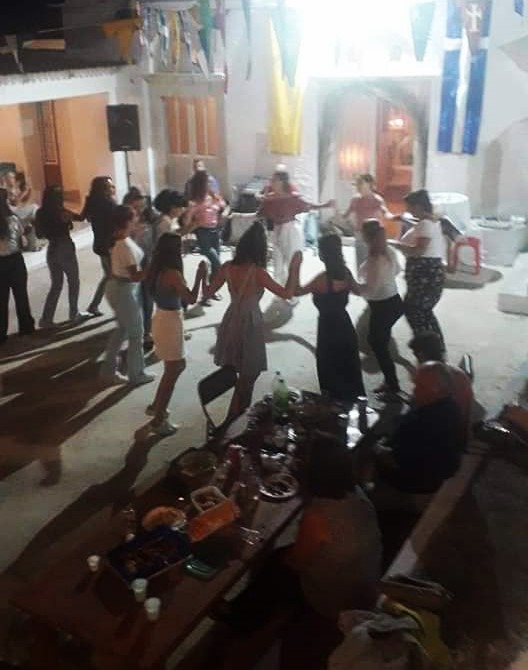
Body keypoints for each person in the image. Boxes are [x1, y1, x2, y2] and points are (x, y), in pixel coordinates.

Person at [218, 444, 381, 631]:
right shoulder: (355, 492)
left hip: (338, 602)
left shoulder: (319, 516)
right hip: (367, 582)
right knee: (281, 552)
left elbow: (296, 563)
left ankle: (240, 619)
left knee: (273, 565)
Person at [202, 221, 301, 420]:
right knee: (249, 374)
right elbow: (287, 293)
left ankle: (239, 417)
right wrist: (294, 269)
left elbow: (207, 293)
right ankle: (233, 420)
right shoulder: (257, 272)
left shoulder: (227, 267)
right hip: (250, 321)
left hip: (231, 318)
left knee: (239, 369)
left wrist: (201, 276)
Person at [145, 234, 207, 436]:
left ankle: (156, 405)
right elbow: (190, 299)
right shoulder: (173, 274)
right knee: (175, 369)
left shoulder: (156, 268)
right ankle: (158, 420)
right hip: (170, 322)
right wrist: (200, 276)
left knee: (171, 367)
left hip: (161, 318)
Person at [295, 233, 365, 406]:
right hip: (345, 325)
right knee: (349, 367)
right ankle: (355, 406)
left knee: (330, 369)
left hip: (328, 329)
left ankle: (334, 407)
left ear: (323, 254)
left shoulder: (322, 279)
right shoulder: (346, 273)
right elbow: (359, 291)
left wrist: (295, 267)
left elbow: (296, 291)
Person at [374, 362, 462, 494]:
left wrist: (377, 448)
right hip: (430, 469)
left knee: (367, 451)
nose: (414, 391)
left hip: (417, 479)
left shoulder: (429, 421)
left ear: (439, 390)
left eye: (421, 387)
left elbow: (395, 459)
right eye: (415, 385)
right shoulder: (448, 404)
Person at [99, 205, 154, 386]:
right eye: (134, 217)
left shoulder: (121, 240)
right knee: (136, 333)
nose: (137, 218)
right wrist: (153, 267)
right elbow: (135, 275)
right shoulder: (124, 245)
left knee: (122, 330)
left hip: (120, 287)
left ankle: (108, 370)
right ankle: (136, 373)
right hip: (125, 290)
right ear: (127, 221)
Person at [390, 189, 446, 352]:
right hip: (430, 274)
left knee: (415, 312)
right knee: (424, 312)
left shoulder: (425, 224)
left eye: (410, 207)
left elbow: (419, 250)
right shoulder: (430, 221)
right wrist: (404, 219)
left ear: (419, 206)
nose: (408, 211)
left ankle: (426, 348)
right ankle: (436, 348)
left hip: (425, 274)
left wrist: (396, 245)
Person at [258, 169, 334, 284]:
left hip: (290, 231)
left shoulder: (292, 198)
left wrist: (325, 205)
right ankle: (280, 289)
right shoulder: (269, 199)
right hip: (276, 232)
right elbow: (259, 214)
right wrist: (238, 216)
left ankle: (292, 289)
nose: (271, 182)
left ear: (282, 182)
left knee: (291, 262)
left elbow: (309, 205)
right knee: (278, 264)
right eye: (272, 180)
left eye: (274, 180)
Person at [358, 219, 403, 397]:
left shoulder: (375, 259)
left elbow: (371, 289)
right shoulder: (388, 250)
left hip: (383, 305)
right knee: (379, 341)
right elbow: (398, 270)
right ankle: (390, 381)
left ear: (366, 236)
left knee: (377, 343)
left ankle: (392, 385)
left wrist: (354, 287)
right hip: (393, 301)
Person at [36, 185, 88, 328]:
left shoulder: (40, 213)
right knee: (73, 281)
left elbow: (39, 235)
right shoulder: (61, 212)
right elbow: (81, 217)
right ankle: (74, 313)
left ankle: (46, 319)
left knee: (56, 284)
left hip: (51, 248)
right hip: (64, 246)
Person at [409, 331, 473, 446]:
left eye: (415, 354)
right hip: (462, 433)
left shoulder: (427, 375)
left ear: (421, 355)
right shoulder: (458, 372)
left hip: (441, 439)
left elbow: (417, 405)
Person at [184, 170, 226, 305]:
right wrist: (193, 219)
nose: (210, 184)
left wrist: (223, 214)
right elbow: (186, 221)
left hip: (215, 231)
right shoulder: (195, 202)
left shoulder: (213, 197)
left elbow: (225, 207)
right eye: (208, 182)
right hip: (203, 232)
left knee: (215, 265)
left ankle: (210, 292)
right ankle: (206, 291)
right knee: (216, 261)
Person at [0, 188, 34, 344]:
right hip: (15, 260)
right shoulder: (13, 219)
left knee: (2, 300)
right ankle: (26, 327)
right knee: (21, 296)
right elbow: (22, 242)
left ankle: (1, 333)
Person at [124, 188, 155, 349]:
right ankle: (137, 332)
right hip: (132, 263)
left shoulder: (150, 218)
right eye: (135, 207)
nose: (139, 210)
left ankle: (147, 332)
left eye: (142, 206)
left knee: (148, 298)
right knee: (136, 299)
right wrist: (134, 235)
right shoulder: (124, 222)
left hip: (147, 260)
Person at [342, 174, 393, 272]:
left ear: (369, 184)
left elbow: (386, 212)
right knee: (361, 263)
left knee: (375, 262)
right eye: (357, 183)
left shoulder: (377, 200)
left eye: (360, 183)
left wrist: (394, 217)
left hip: (374, 235)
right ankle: (362, 280)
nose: (358, 186)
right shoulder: (355, 199)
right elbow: (346, 215)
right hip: (360, 234)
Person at [82, 176, 117, 316]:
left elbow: (83, 216)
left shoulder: (92, 201)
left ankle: (95, 305)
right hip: (109, 245)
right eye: (110, 186)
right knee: (112, 276)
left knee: (110, 276)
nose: (113, 188)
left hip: (100, 244)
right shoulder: (108, 204)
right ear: (103, 189)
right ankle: (97, 305)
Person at [8, 172, 39, 252]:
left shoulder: (19, 189)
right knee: (34, 209)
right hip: (12, 214)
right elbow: (14, 205)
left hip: (19, 213)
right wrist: (23, 194)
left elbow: (22, 204)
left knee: (34, 211)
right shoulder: (9, 191)